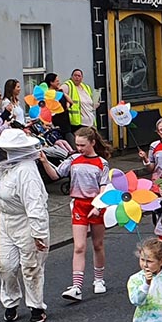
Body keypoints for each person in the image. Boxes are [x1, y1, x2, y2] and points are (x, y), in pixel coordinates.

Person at [0, 128, 51, 322]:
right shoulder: (5, 168)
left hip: (26, 223)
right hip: (6, 221)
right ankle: (10, 302)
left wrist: (38, 234)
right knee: (6, 266)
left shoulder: (27, 172)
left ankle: (36, 306)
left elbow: (36, 206)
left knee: (31, 267)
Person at [40, 127, 110, 301]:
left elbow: (104, 189)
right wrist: (44, 161)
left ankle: (99, 279)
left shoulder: (102, 163)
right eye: (77, 144)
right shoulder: (73, 159)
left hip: (95, 206)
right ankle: (77, 286)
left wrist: (99, 206)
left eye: (82, 145)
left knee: (98, 244)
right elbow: (56, 175)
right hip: (79, 205)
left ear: (92, 143)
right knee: (79, 246)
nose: (79, 148)